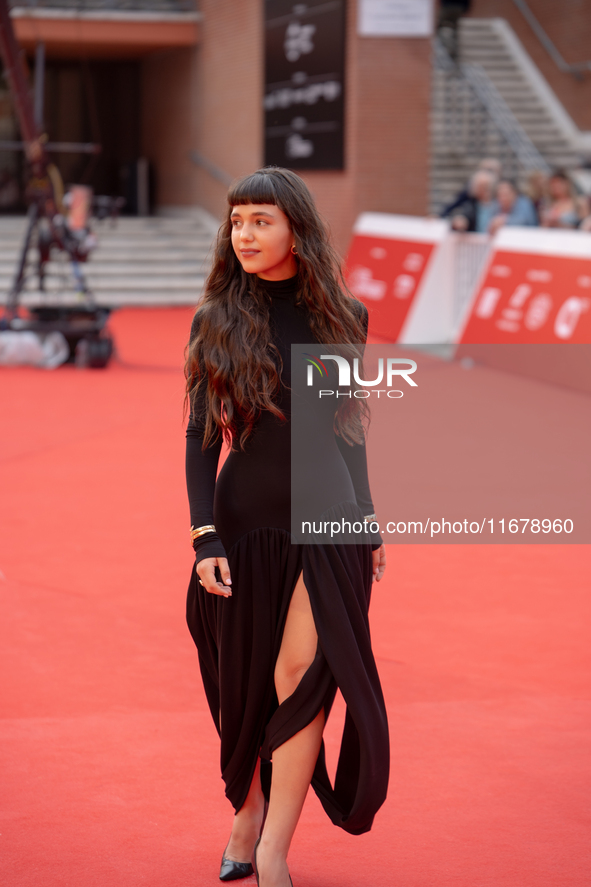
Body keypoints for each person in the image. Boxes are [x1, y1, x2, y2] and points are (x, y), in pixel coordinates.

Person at [184, 167, 389, 887]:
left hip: (328, 514)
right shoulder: (217, 317)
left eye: (260, 220)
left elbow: (347, 429)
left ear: (295, 228)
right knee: (240, 686)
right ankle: (246, 811)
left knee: (298, 674)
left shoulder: (346, 315)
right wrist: (202, 534)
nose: (244, 233)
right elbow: (200, 437)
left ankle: (270, 846)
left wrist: (367, 520)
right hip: (244, 524)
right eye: (237, 221)